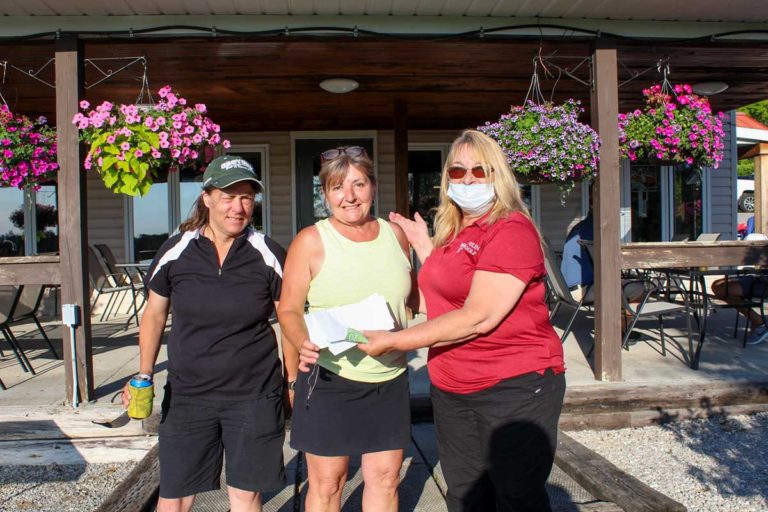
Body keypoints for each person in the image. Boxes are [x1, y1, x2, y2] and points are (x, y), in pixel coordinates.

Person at [349, 129, 566, 511]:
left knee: (516, 497)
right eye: (458, 171)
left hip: (513, 385)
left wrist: (394, 340)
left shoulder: (511, 228)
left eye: (479, 172)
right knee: (465, 496)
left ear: (497, 175)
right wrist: (424, 247)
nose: (467, 180)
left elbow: (478, 315)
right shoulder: (453, 230)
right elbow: (448, 297)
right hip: (452, 386)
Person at [122, 155, 296, 512]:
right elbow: (154, 315)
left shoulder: (268, 252)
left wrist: (291, 381)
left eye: (247, 197)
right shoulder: (176, 249)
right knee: (175, 493)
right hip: (188, 393)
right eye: (229, 196)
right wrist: (143, 374)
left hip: (254, 393)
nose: (238, 207)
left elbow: (290, 321)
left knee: (246, 494)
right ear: (208, 198)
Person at [277, 147, 413, 512]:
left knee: (385, 479)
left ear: (372, 186)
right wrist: (301, 340)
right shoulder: (310, 241)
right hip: (331, 378)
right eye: (337, 187)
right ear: (325, 195)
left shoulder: (397, 236)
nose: (349, 196)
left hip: (390, 377)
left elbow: (411, 300)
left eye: (358, 184)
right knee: (327, 483)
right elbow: (288, 309)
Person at [712, 232, 768, 345]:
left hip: (764, 282)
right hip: (758, 277)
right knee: (718, 285)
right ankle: (758, 321)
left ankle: (759, 322)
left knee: (722, 289)